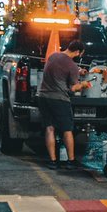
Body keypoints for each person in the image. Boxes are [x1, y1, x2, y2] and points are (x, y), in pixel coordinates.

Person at [37, 38, 92, 170]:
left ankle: (53, 161)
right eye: (80, 54)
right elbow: (73, 88)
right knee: (67, 130)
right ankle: (71, 161)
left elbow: (60, 68)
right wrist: (84, 84)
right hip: (59, 99)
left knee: (49, 128)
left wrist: (78, 71)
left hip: (43, 96)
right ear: (78, 51)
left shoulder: (53, 55)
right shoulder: (72, 65)